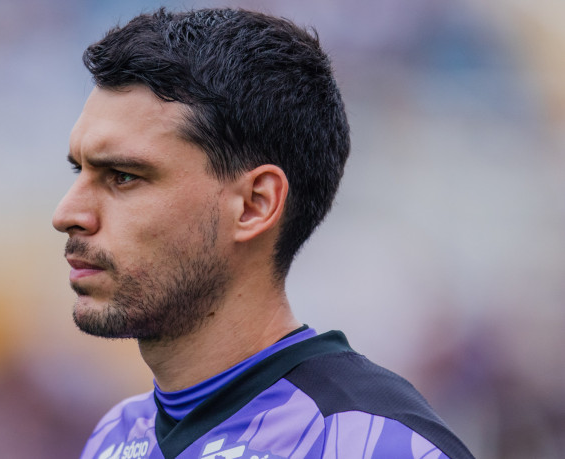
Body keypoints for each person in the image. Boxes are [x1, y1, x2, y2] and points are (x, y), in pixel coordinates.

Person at [52, 8, 473, 459]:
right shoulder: (115, 437)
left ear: (255, 205)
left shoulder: (370, 443)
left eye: (123, 175)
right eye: (80, 169)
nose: (67, 213)